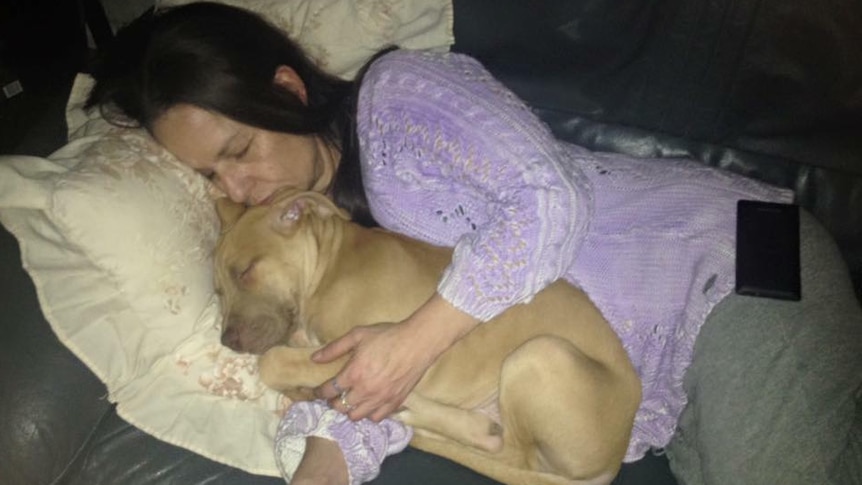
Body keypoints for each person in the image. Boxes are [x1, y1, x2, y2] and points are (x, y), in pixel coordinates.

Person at [85, 3, 862, 485]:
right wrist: (325, 457)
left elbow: (550, 198)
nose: (238, 189)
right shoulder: (329, 239)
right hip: (644, 395)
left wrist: (413, 341)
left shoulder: (403, 96)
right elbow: (380, 364)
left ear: (285, 91)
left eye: (239, 149)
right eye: (209, 177)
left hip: (733, 267)